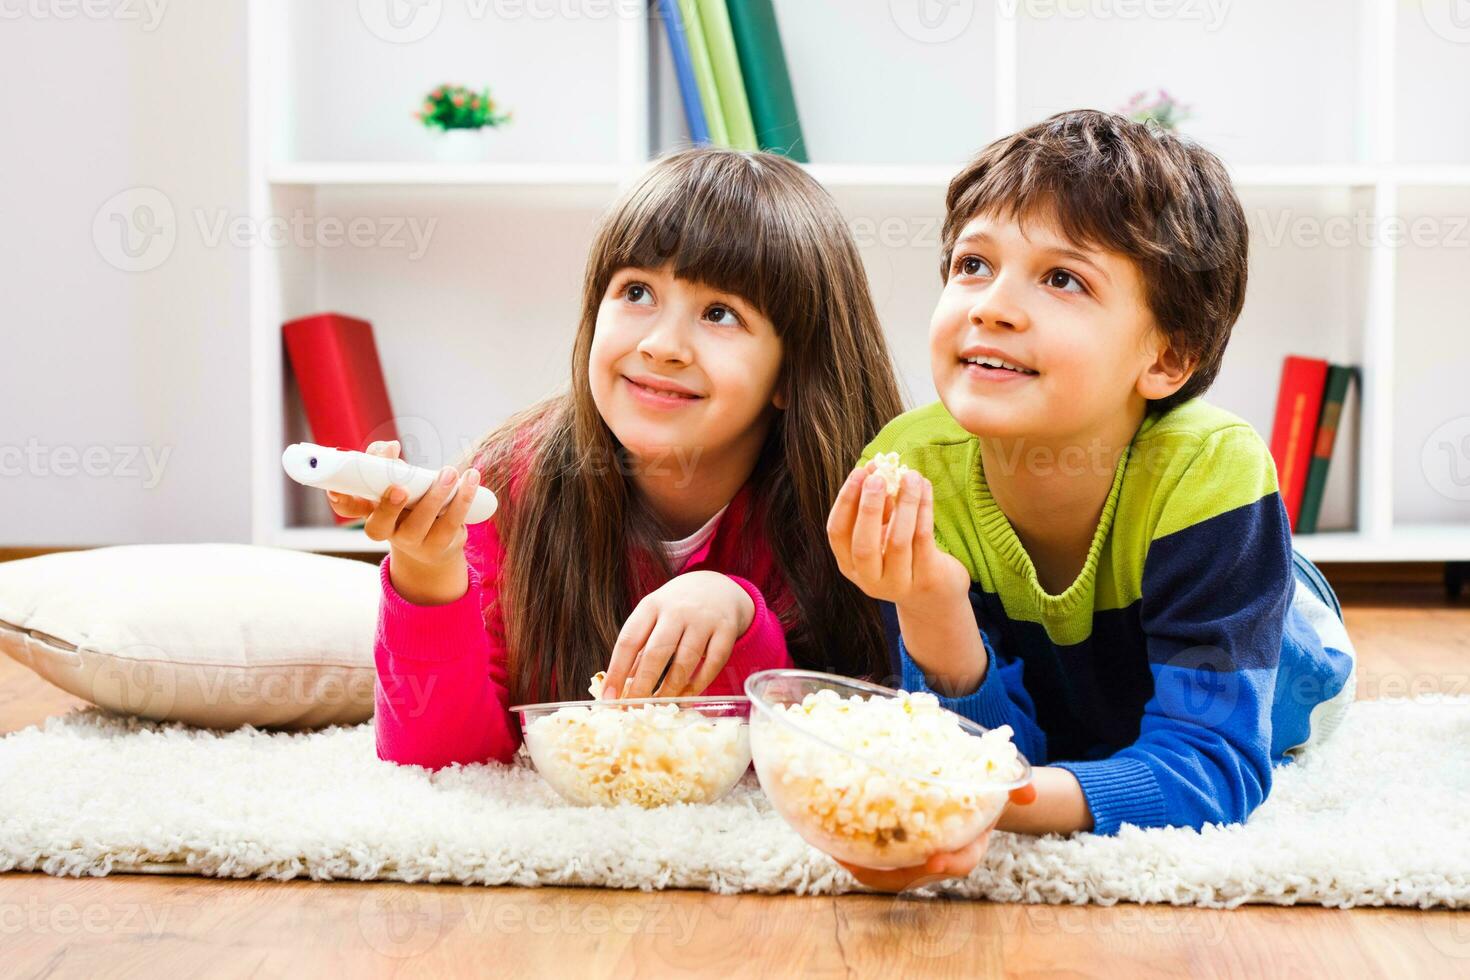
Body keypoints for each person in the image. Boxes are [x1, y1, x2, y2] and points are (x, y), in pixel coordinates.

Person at [828, 109, 1357, 890]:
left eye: (1063, 278)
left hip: (1279, 639)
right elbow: (980, 744)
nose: (992, 305)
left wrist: (997, 801)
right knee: (1081, 725)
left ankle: (1284, 581)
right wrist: (933, 603)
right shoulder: (907, 468)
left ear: (1169, 357)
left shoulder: (1213, 473)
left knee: (1262, 693)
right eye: (974, 265)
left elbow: (1211, 765)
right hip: (1072, 668)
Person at [329, 147, 905, 769]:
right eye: (636, 292)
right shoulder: (510, 484)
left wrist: (736, 615)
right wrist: (428, 574)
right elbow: (445, 768)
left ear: (792, 371)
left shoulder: (851, 507)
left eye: (719, 313)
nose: (661, 346)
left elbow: (806, 765)